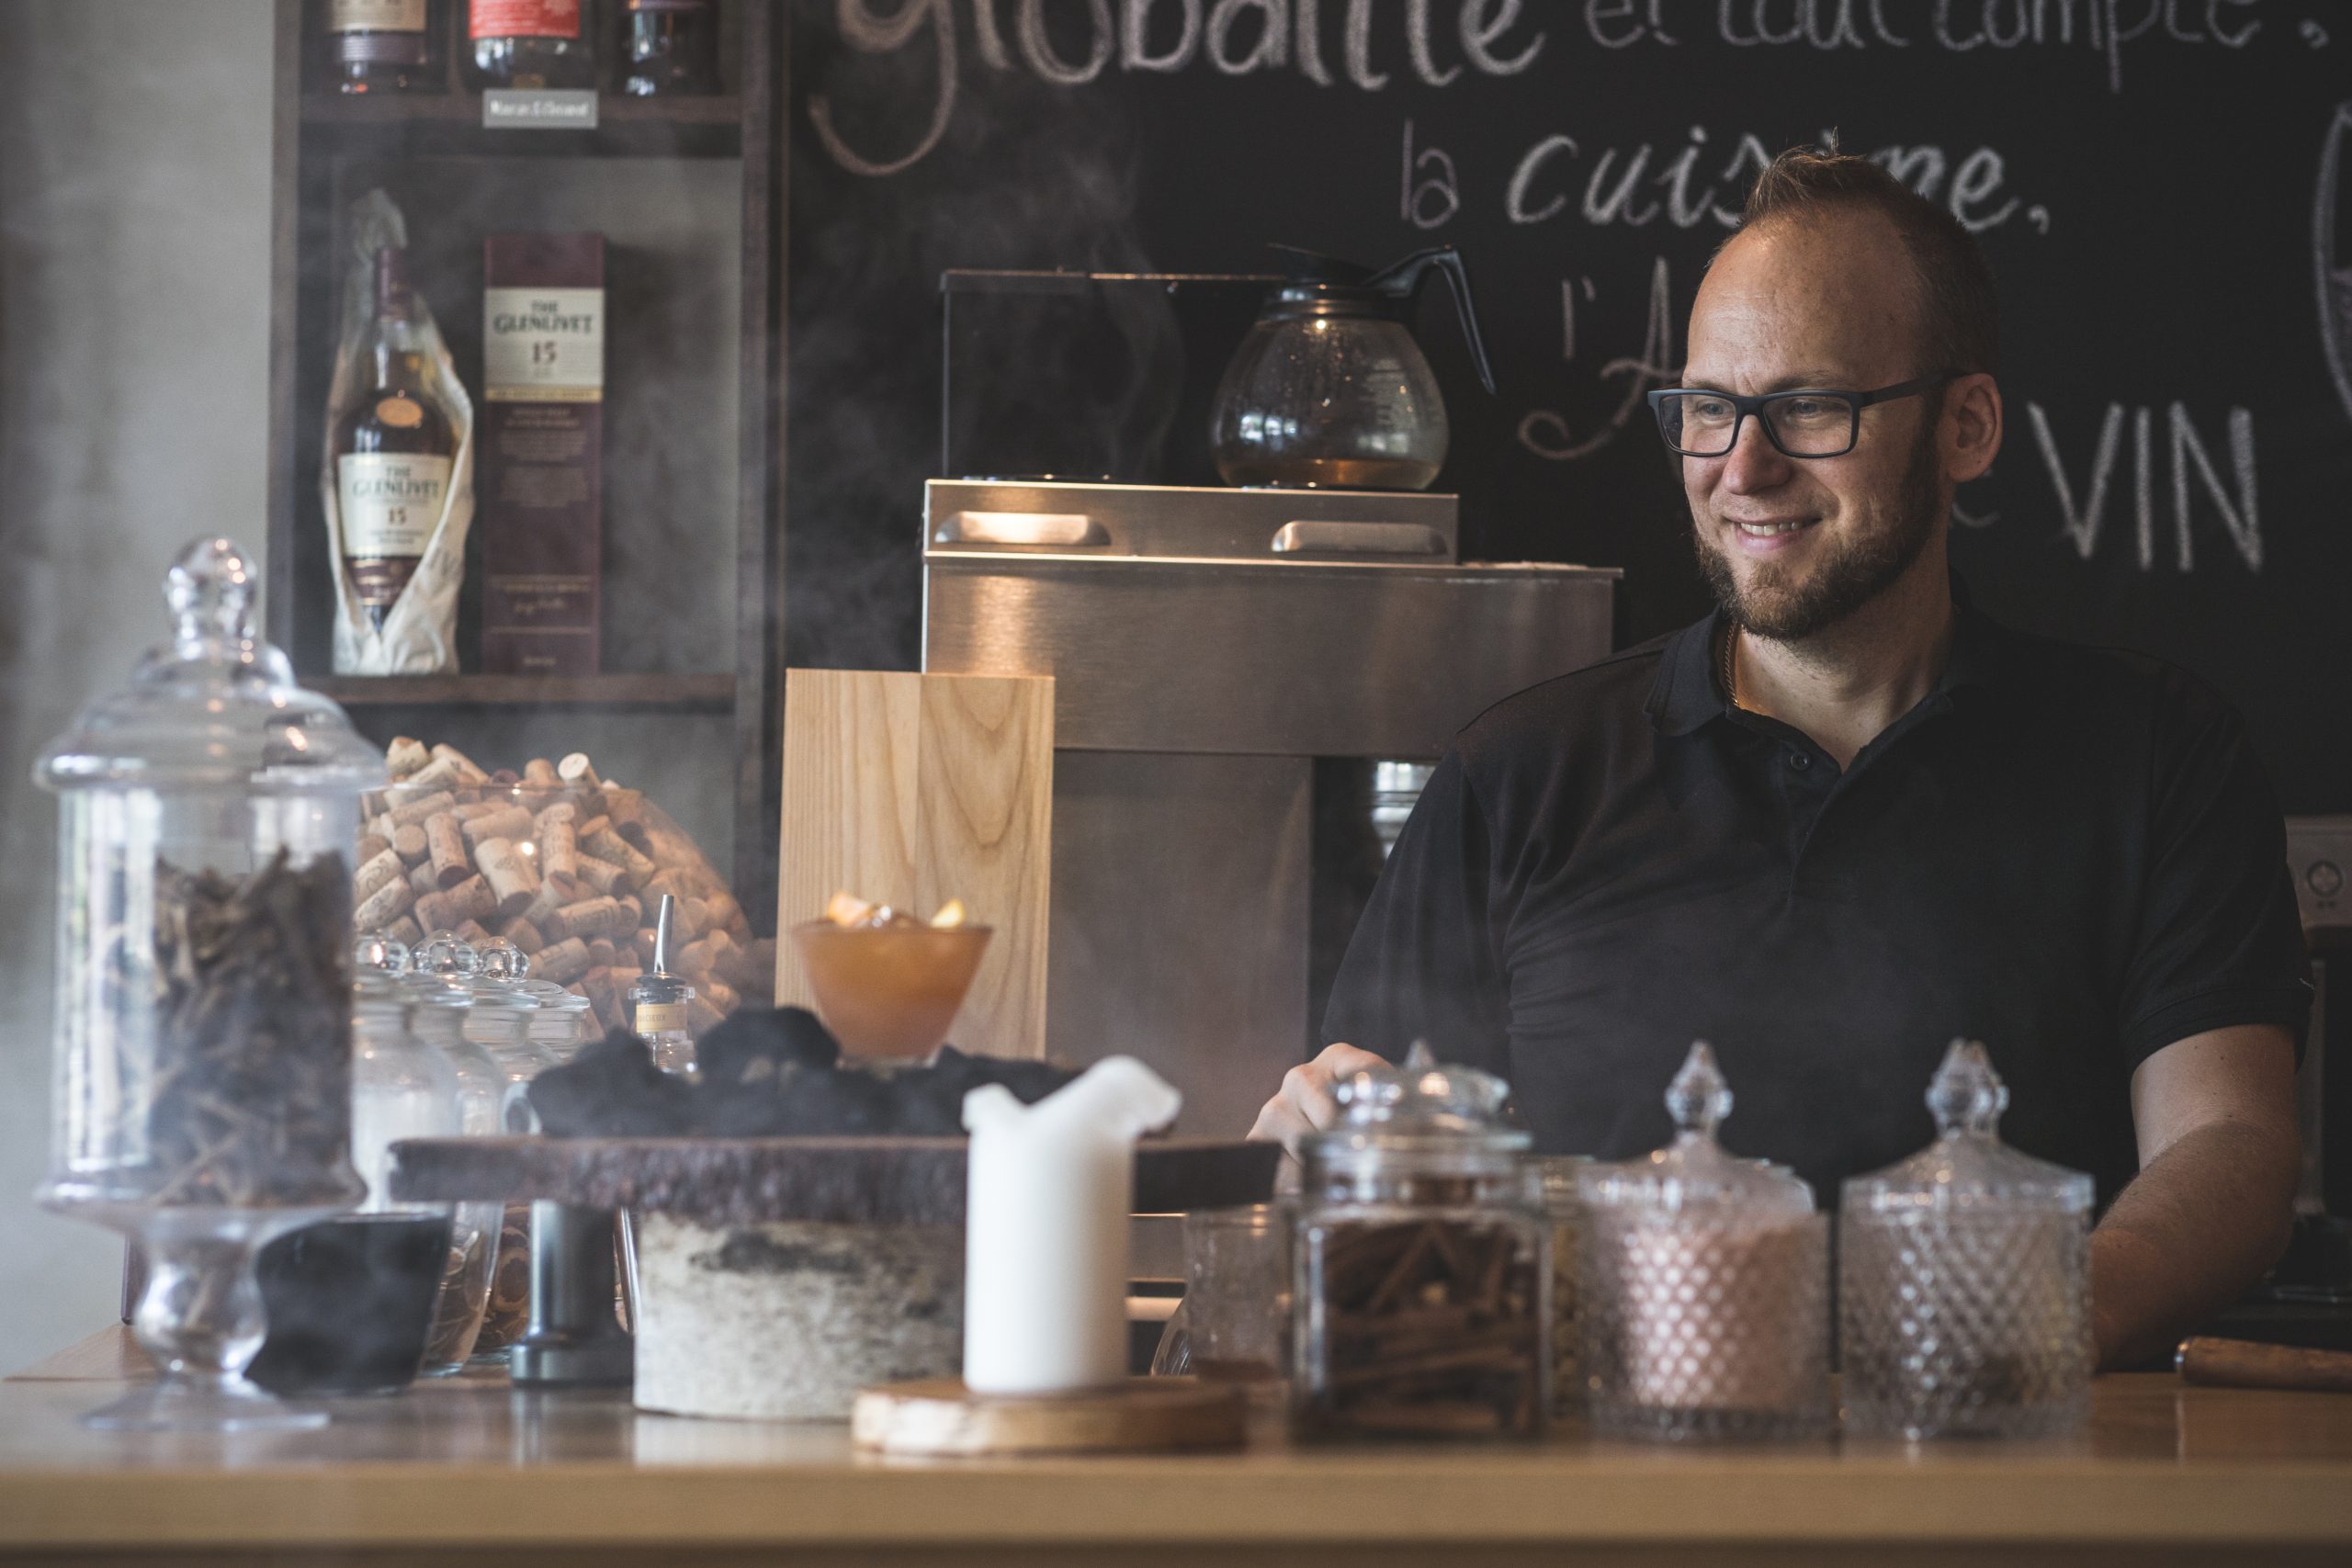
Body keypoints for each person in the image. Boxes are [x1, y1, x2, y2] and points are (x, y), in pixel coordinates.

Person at [1249, 145, 2311, 1370]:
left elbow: (2230, 1152)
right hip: (1599, 1499)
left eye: (1809, 408)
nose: (1742, 470)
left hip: (2000, 1483)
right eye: (1708, 409)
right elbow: (1368, 1156)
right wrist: (1314, 1146)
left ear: (1966, 427)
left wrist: (1998, 1326)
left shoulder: (2156, 756)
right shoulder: (1521, 775)